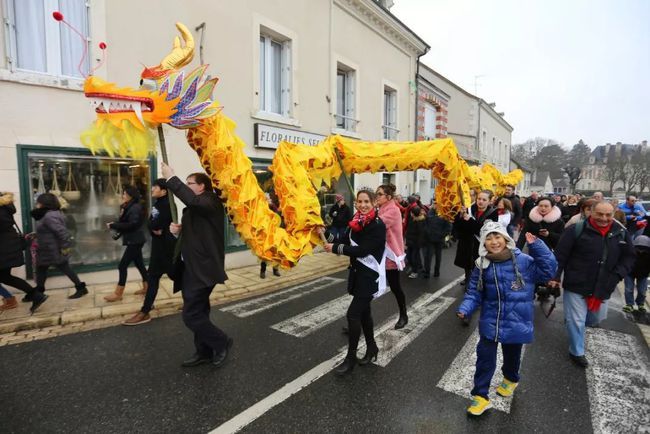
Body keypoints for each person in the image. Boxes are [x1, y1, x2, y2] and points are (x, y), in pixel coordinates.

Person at [457, 221, 557, 416]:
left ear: (506, 239)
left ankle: (511, 379)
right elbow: (473, 293)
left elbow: (548, 271)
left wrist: (537, 246)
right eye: (489, 238)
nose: (494, 242)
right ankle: (480, 396)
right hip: (490, 320)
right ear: (483, 243)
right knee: (484, 359)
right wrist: (465, 308)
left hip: (517, 319)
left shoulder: (524, 261)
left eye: (497, 237)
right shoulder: (481, 264)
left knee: (512, 356)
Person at [161, 162, 232, 368]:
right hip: (190, 267)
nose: (187, 185)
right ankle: (203, 351)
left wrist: (171, 178)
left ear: (202, 186)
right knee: (199, 311)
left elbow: (192, 202)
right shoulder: (196, 206)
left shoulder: (211, 201)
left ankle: (221, 341)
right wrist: (178, 232)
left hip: (203, 268)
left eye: (190, 183)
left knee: (191, 315)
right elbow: (196, 229)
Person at [549, 201, 635, 367]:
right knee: (576, 320)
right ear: (591, 213)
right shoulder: (576, 230)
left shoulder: (621, 233)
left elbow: (629, 257)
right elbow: (560, 256)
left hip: (604, 284)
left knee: (595, 318)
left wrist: (618, 274)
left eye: (608, 214)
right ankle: (576, 351)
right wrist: (555, 277)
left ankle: (575, 326)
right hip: (577, 282)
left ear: (614, 213)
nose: (604, 218)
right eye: (600, 214)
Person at [324, 189, 386, 376]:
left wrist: (335, 248)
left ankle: (350, 359)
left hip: (369, 277)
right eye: (360, 201)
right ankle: (372, 348)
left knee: (353, 315)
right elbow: (342, 240)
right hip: (358, 275)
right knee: (364, 315)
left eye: (366, 201)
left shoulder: (377, 225)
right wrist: (325, 233)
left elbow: (363, 250)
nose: (363, 205)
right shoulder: (355, 222)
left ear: (374, 202)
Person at [123, 179, 177, 325]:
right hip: (158, 248)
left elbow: (155, 224)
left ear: (164, 191)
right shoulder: (158, 204)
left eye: (155, 187)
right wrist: (154, 227)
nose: (152, 189)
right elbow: (150, 224)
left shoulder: (167, 205)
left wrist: (155, 227)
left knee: (178, 276)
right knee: (153, 277)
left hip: (167, 250)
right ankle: (145, 310)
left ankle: (195, 300)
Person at [31, 193, 88, 299]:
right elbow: (50, 230)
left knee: (59, 268)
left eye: (38, 202)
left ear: (44, 203)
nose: (37, 204)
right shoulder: (50, 214)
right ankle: (39, 292)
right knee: (43, 269)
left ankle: (80, 288)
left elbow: (61, 232)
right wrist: (36, 234)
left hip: (51, 249)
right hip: (47, 249)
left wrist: (64, 247)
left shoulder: (49, 216)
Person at [0, 192, 47, 312]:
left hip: (4, 248)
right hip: (8, 246)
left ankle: (34, 295)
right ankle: (34, 295)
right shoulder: (5, 208)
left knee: (5, 277)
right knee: (5, 276)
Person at [105, 186, 148, 302]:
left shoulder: (135, 208)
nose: (122, 196)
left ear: (130, 196)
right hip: (134, 240)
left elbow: (132, 224)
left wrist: (114, 225)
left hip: (135, 241)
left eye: (124, 194)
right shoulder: (128, 206)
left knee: (122, 266)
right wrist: (115, 224)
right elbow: (126, 222)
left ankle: (118, 294)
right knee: (140, 264)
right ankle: (147, 287)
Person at [375, 184, 408, 329]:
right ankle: (356, 319)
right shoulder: (382, 208)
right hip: (378, 254)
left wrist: (364, 212)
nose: (377, 196)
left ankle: (403, 315)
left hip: (390, 255)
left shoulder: (393, 210)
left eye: (379, 194)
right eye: (376, 194)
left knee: (395, 287)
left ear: (388, 197)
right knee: (367, 287)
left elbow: (377, 225)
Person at [453, 190, 499, 285]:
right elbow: (458, 227)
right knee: (468, 265)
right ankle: (468, 279)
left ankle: (476, 284)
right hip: (467, 243)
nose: (480, 201)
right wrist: (460, 216)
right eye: (479, 199)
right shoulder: (469, 209)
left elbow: (484, 231)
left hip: (480, 245)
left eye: (484, 199)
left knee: (478, 268)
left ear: (489, 201)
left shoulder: (493, 213)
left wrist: (469, 220)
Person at [421, 202, 452, 278]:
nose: (435, 205)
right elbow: (425, 223)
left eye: (437, 204)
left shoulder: (445, 214)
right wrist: (427, 233)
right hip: (430, 239)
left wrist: (442, 235)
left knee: (438, 257)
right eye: (434, 203)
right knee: (428, 256)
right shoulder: (430, 212)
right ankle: (427, 272)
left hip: (439, 240)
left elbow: (448, 227)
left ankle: (436, 272)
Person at [622, 235, 650, 313]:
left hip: (643, 274)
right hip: (630, 273)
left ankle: (640, 303)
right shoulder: (631, 251)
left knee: (642, 290)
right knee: (629, 289)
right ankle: (629, 304)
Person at [261, 193, 282, 278]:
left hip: (274, 232)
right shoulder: (261, 207)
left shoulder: (272, 206)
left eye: (268, 198)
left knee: (275, 251)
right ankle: (262, 271)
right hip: (265, 233)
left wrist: (271, 206)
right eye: (265, 198)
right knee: (265, 252)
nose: (267, 199)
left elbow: (277, 214)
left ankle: (275, 269)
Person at [404, 206, 425, 279]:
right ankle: (416, 268)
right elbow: (409, 231)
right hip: (410, 242)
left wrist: (419, 244)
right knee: (409, 256)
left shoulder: (420, 221)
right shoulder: (411, 219)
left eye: (411, 212)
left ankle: (415, 271)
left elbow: (421, 234)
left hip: (416, 243)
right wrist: (406, 242)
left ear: (413, 213)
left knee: (414, 257)